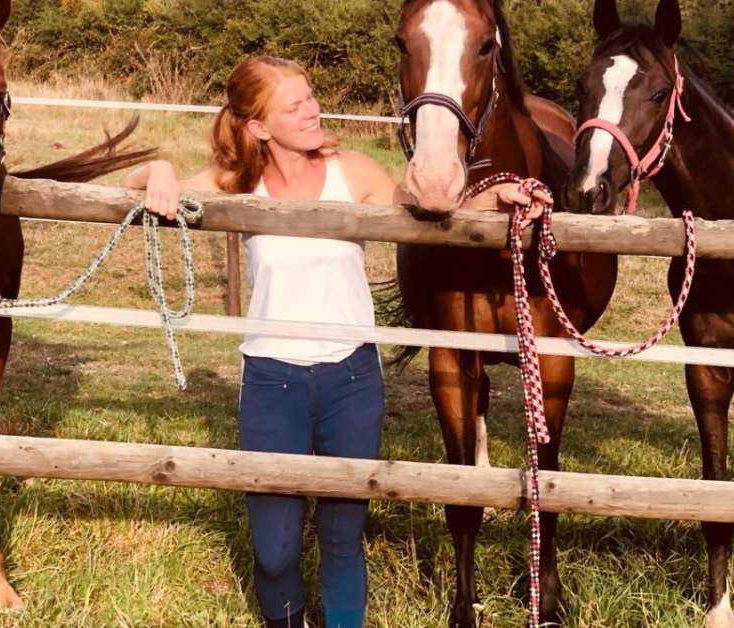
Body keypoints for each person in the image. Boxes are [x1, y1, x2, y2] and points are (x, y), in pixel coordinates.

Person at [122, 55, 546, 628]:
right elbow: (134, 184)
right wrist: (161, 170)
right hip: (271, 381)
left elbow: (430, 215)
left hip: (352, 380)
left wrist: (496, 199)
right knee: (274, 551)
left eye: (311, 96)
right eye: (293, 105)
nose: (312, 110)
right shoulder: (237, 181)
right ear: (259, 127)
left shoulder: (355, 172)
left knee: (343, 536)